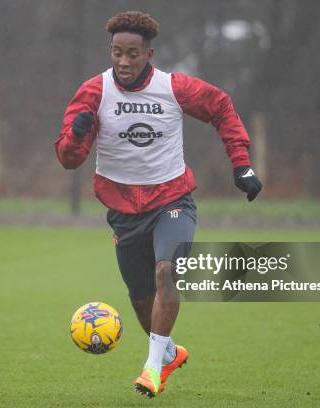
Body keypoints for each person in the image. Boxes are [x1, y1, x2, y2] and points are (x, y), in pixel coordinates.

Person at [54, 11, 262, 397]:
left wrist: (243, 164)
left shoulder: (174, 87)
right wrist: (75, 137)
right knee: (140, 297)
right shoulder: (93, 92)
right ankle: (167, 353)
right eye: (117, 52)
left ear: (148, 54)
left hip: (172, 199)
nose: (123, 61)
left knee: (167, 272)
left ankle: (151, 369)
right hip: (123, 213)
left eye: (132, 54)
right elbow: (69, 159)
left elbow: (221, 107)